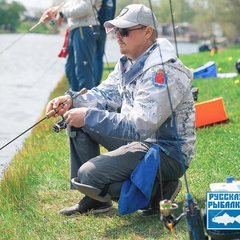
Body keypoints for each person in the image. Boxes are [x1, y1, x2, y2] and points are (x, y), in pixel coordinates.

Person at [46, 3, 196, 217]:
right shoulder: (127, 62)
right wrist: (71, 100)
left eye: (124, 31)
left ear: (148, 32)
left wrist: (88, 116)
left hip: (166, 152)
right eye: (116, 30)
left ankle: (160, 190)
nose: (118, 36)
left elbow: (141, 125)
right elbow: (105, 94)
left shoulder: (163, 70)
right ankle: (97, 202)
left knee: (88, 175)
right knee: (75, 121)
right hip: (141, 141)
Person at [40, 0, 103, 91]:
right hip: (75, 29)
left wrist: (62, 13)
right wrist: (56, 10)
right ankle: (74, 101)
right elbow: (73, 3)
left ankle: (88, 103)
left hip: (84, 29)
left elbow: (86, 7)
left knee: (83, 71)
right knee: (71, 70)